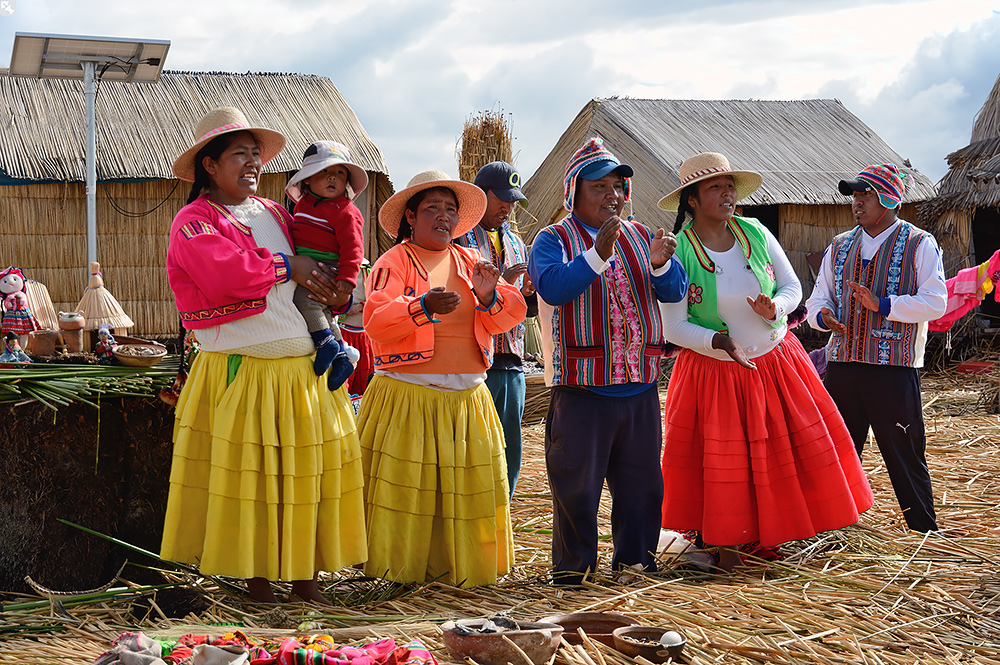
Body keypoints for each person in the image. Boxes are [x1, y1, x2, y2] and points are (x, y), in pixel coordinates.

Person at [160, 106, 366, 604]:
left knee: (304, 479)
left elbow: (321, 259)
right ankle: (256, 583)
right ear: (209, 165)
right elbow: (225, 275)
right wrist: (287, 266)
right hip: (243, 372)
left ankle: (305, 581)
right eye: (239, 154)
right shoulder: (194, 222)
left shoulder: (276, 213)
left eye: (256, 154)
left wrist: (338, 285)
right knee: (251, 482)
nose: (252, 162)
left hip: (302, 373)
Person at [657, 152, 874, 571]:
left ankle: (772, 537)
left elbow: (793, 286)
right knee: (728, 467)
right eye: (715, 187)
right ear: (693, 200)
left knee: (779, 456)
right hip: (714, 374)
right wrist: (720, 342)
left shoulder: (754, 232)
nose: (727, 194)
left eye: (729, 185)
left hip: (775, 363)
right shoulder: (678, 252)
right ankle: (729, 545)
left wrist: (775, 308)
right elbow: (674, 328)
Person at [527, 138, 688, 585]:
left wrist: (659, 265)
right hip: (582, 389)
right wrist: (597, 253)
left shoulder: (640, 237)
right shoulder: (552, 239)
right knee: (576, 488)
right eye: (598, 187)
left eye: (618, 186)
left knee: (642, 488)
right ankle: (573, 572)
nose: (612, 195)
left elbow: (675, 291)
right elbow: (554, 288)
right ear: (573, 192)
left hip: (638, 387)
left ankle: (635, 563)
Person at [357, 170, 527, 587]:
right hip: (409, 398)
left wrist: (489, 296)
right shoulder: (393, 262)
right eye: (432, 207)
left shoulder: (472, 263)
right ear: (410, 218)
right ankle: (400, 574)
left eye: (450, 209)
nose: (443, 216)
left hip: (467, 400)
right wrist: (422, 307)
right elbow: (376, 321)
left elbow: (512, 313)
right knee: (407, 491)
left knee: (468, 491)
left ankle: (462, 571)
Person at [806, 163, 947, 534]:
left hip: (893, 368)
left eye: (865, 194)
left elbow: (936, 302)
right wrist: (823, 318)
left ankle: (923, 533)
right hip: (843, 365)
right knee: (838, 451)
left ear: (888, 198)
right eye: (855, 195)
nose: (857, 202)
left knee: (904, 451)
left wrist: (884, 305)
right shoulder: (839, 246)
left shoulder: (919, 243)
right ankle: (834, 529)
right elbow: (816, 301)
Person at [454, 161, 535, 498]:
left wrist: (527, 293)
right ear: (480, 195)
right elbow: (456, 297)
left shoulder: (516, 242)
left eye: (513, 200)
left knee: (509, 446)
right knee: (474, 443)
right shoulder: (458, 238)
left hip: (512, 360)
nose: (508, 206)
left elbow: (527, 311)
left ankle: (505, 507)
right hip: (475, 360)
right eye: (500, 198)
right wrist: (504, 285)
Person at [285, 140, 368, 390]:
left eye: (340, 173)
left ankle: (325, 343)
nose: (333, 177)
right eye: (324, 171)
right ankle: (342, 357)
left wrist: (346, 282)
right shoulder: (302, 206)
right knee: (325, 313)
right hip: (313, 266)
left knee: (305, 301)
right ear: (307, 179)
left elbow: (354, 248)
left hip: (329, 269)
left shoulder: (345, 211)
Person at [339, 258, 374, 400]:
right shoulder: (338, 267)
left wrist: (361, 306)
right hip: (343, 332)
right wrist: (343, 308)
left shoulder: (369, 270)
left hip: (363, 334)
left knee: (364, 377)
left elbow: (377, 299)